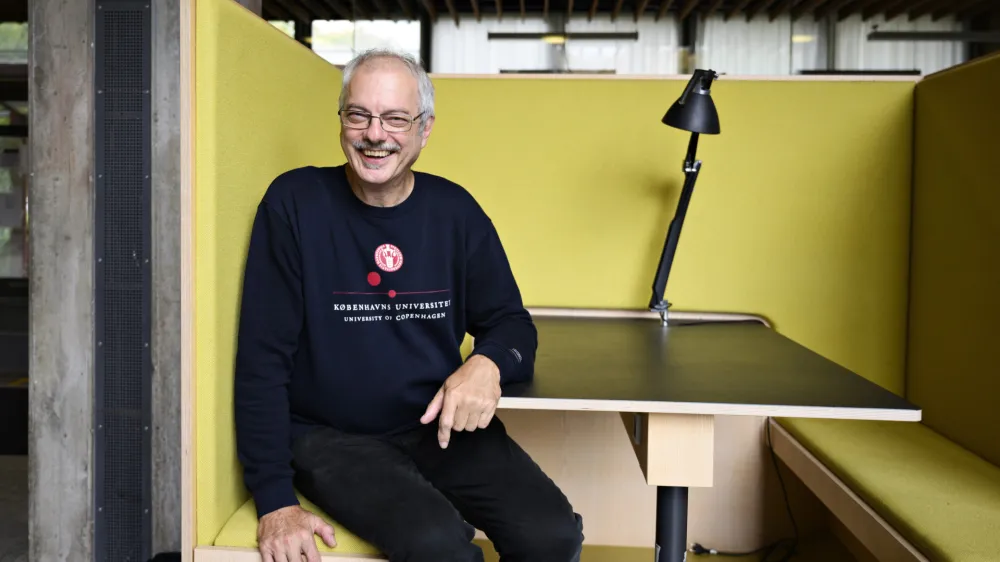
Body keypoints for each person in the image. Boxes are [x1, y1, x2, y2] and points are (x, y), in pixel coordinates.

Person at [233, 48, 584, 562]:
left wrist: (487, 363)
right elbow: (261, 362)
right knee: (438, 546)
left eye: (396, 118)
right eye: (360, 115)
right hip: (328, 438)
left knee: (553, 536)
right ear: (342, 121)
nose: (376, 135)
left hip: (437, 425)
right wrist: (274, 501)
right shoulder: (293, 204)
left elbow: (512, 324)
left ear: (424, 128)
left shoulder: (455, 212)